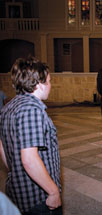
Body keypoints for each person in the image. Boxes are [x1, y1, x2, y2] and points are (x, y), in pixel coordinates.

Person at [0, 57, 62, 214]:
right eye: (48, 81)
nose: (50, 85)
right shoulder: (32, 109)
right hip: (37, 198)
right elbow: (29, 159)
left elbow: (3, 146)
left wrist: (16, 170)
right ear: (39, 84)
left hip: (18, 193)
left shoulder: (9, 107)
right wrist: (53, 191)